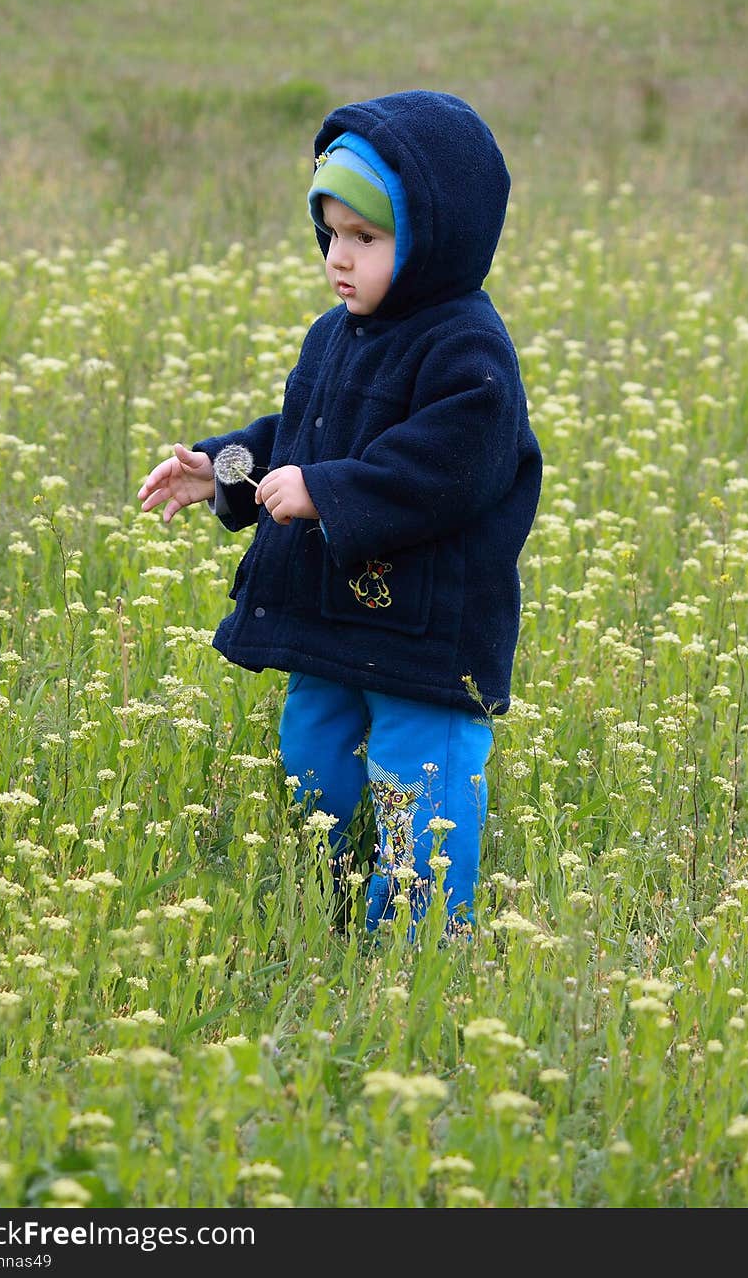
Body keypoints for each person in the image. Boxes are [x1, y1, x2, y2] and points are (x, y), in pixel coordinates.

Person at [138, 90, 542, 934]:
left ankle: (415, 937)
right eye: (331, 234)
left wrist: (330, 491)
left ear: (436, 237)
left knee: (416, 779)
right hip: (335, 610)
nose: (339, 258)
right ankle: (324, 887)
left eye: (367, 237)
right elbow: (297, 434)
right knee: (313, 758)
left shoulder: (468, 348)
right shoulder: (335, 334)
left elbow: (451, 464)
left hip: (428, 628)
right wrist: (225, 469)